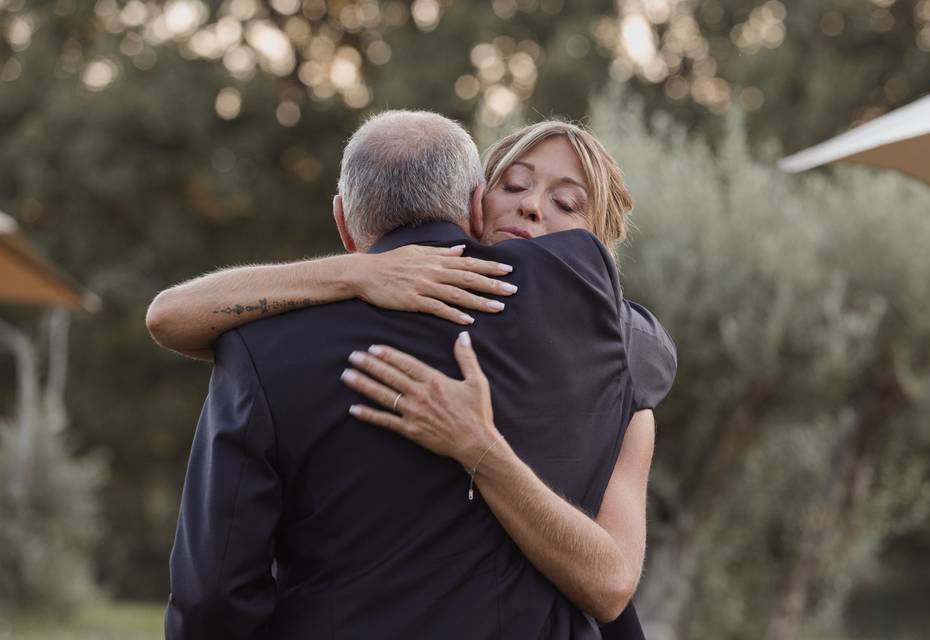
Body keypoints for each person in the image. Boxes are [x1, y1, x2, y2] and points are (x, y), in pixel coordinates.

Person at [156, 112, 675, 639]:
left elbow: (611, 585)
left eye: (567, 204)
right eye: (514, 185)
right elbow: (167, 315)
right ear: (476, 204)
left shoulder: (622, 362)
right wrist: (358, 271)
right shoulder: (636, 358)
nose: (532, 205)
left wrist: (481, 449)